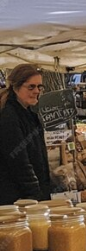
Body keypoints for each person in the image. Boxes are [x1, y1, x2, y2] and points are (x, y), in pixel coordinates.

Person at [0, 64, 51, 205]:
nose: (36, 91)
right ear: (16, 87)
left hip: (27, 194)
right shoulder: (8, 115)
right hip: (15, 197)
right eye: (31, 87)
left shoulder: (28, 112)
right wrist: (34, 193)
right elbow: (18, 160)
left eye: (39, 87)